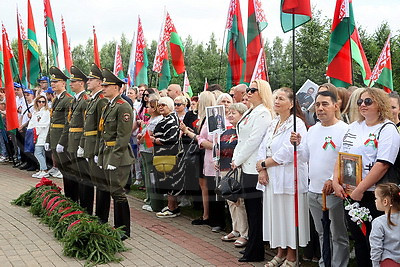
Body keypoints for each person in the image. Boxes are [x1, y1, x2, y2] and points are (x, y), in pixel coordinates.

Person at [333, 87, 400, 267]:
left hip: (373, 196)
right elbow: (341, 156)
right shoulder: (353, 127)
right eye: (360, 101)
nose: (363, 105)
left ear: (380, 103)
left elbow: (383, 164)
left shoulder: (388, 128)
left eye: (368, 101)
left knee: (377, 244)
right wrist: (335, 181)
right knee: (360, 241)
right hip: (350, 193)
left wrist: (361, 189)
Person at [291, 90, 349, 267]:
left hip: (334, 191)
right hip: (313, 191)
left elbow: (346, 159)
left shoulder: (345, 130)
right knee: (322, 233)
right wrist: (298, 145)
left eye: (325, 104)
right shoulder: (312, 130)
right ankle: (325, 263)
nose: (320, 108)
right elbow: (306, 157)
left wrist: (333, 179)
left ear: (336, 106)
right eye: (317, 105)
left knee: (338, 235)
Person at [257, 87, 309, 266]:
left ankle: (292, 256)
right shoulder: (273, 122)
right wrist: (262, 169)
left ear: (291, 104)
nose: (276, 101)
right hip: (272, 178)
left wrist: (266, 163)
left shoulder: (297, 124)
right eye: (275, 98)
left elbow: (289, 151)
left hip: (289, 179)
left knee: (289, 216)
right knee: (276, 216)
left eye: (281, 98)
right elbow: (263, 146)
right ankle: (279, 252)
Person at [232, 80, 273, 262]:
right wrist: (237, 158)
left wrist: (237, 159)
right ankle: (252, 245)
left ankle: (256, 250)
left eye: (252, 90)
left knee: (255, 211)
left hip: (254, 167)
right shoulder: (251, 111)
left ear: (261, 92)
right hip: (246, 166)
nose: (248, 92)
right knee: (250, 209)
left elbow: (254, 141)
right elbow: (241, 138)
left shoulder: (263, 113)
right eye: (248, 89)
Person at [98, 68, 134, 240]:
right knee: (111, 190)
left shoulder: (123, 107)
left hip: (118, 156)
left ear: (117, 87)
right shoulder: (109, 105)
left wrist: (114, 157)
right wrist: (100, 154)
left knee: (118, 191)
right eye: (103, 85)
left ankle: (123, 229)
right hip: (107, 152)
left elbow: (123, 136)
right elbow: (104, 133)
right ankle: (116, 225)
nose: (103, 87)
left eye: (107, 85)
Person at [82, 63, 110, 223]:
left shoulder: (101, 101)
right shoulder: (94, 100)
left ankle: (101, 217)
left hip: (97, 147)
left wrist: (99, 151)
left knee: (101, 184)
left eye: (91, 79)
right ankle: (93, 213)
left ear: (99, 82)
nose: (88, 81)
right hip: (90, 146)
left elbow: (103, 129)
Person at [219, 103, 249, 248]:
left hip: (238, 169)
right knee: (230, 200)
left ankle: (244, 233)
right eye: (229, 113)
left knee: (239, 201)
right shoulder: (226, 131)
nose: (230, 115)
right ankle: (235, 229)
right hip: (226, 167)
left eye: (234, 113)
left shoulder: (243, 131)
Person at [45, 66, 75, 200]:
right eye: (52, 82)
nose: (53, 85)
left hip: (63, 140)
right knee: (63, 170)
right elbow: (52, 122)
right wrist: (48, 139)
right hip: (55, 137)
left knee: (68, 170)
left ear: (63, 83)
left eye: (55, 82)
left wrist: (62, 142)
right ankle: (68, 195)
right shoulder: (56, 99)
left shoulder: (68, 99)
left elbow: (67, 122)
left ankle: (71, 195)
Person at [153, 97, 185, 218]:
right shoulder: (168, 118)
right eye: (159, 105)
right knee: (168, 181)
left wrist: (156, 140)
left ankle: (172, 208)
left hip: (169, 155)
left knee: (170, 181)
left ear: (170, 107)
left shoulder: (171, 119)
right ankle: (172, 206)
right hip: (165, 155)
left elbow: (172, 139)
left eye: (164, 105)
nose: (160, 107)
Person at [68, 65, 93, 214]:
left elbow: (86, 125)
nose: (70, 84)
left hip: (80, 141)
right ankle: (76, 203)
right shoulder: (76, 100)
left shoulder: (85, 100)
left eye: (73, 82)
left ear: (81, 84)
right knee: (75, 175)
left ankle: (85, 207)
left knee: (84, 177)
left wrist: (82, 144)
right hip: (73, 140)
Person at [137, 95, 162, 212]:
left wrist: (140, 139)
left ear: (154, 108)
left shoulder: (155, 121)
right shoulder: (152, 120)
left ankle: (152, 201)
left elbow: (147, 136)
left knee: (149, 175)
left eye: (149, 107)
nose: (147, 108)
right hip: (146, 149)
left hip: (148, 150)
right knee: (147, 175)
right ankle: (149, 198)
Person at [370, 183, 400, 267]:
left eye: (376, 198)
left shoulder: (378, 222)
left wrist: (375, 264)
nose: (375, 201)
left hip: (388, 262)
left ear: (385, 201)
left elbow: (376, 248)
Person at [29, 95, 51, 179]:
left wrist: (36, 129)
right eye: (39, 101)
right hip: (35, 134)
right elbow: (32, 123)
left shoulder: (46, 112)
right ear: (36, 102)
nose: (41, 103)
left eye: (43, 102)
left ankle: (44, 170)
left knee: (38, 152)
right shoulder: (35, 112)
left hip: (42, 135)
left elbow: (44, 124)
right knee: (40, 153)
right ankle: (42, 169)